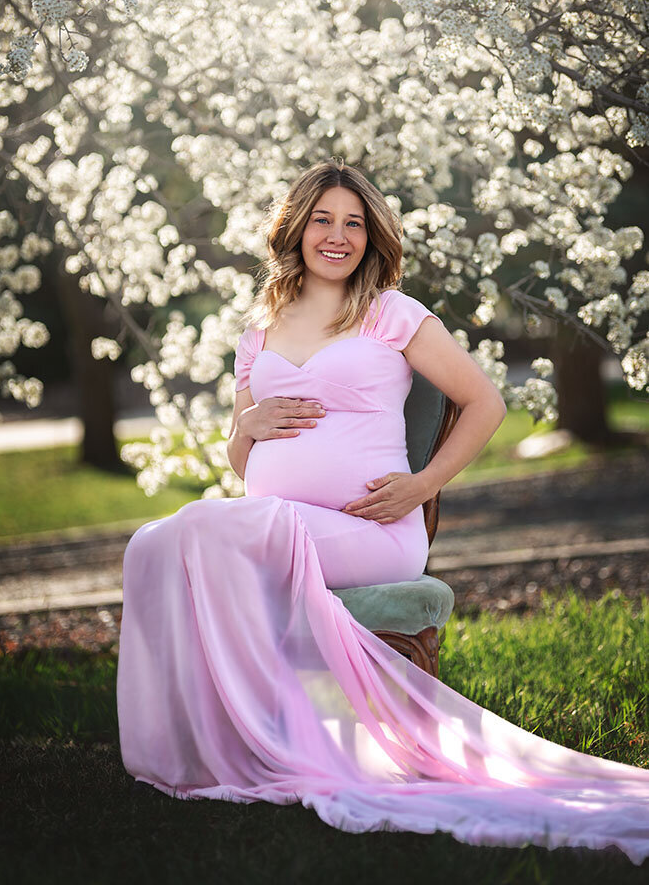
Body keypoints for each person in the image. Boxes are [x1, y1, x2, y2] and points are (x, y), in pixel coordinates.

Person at [117, 160, 649, 866]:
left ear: (371, 237)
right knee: (155, 542)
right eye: (322, 220)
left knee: (190, 531)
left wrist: (421, 483)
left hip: (371, 532)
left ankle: (267, 743)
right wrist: (247, 425)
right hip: (275, 523)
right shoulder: (259, 332)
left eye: (353, 223)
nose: (336, 236)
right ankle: (220, 742)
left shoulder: (392, 312)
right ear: (295, 228)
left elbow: (484, 401)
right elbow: (243, 466)